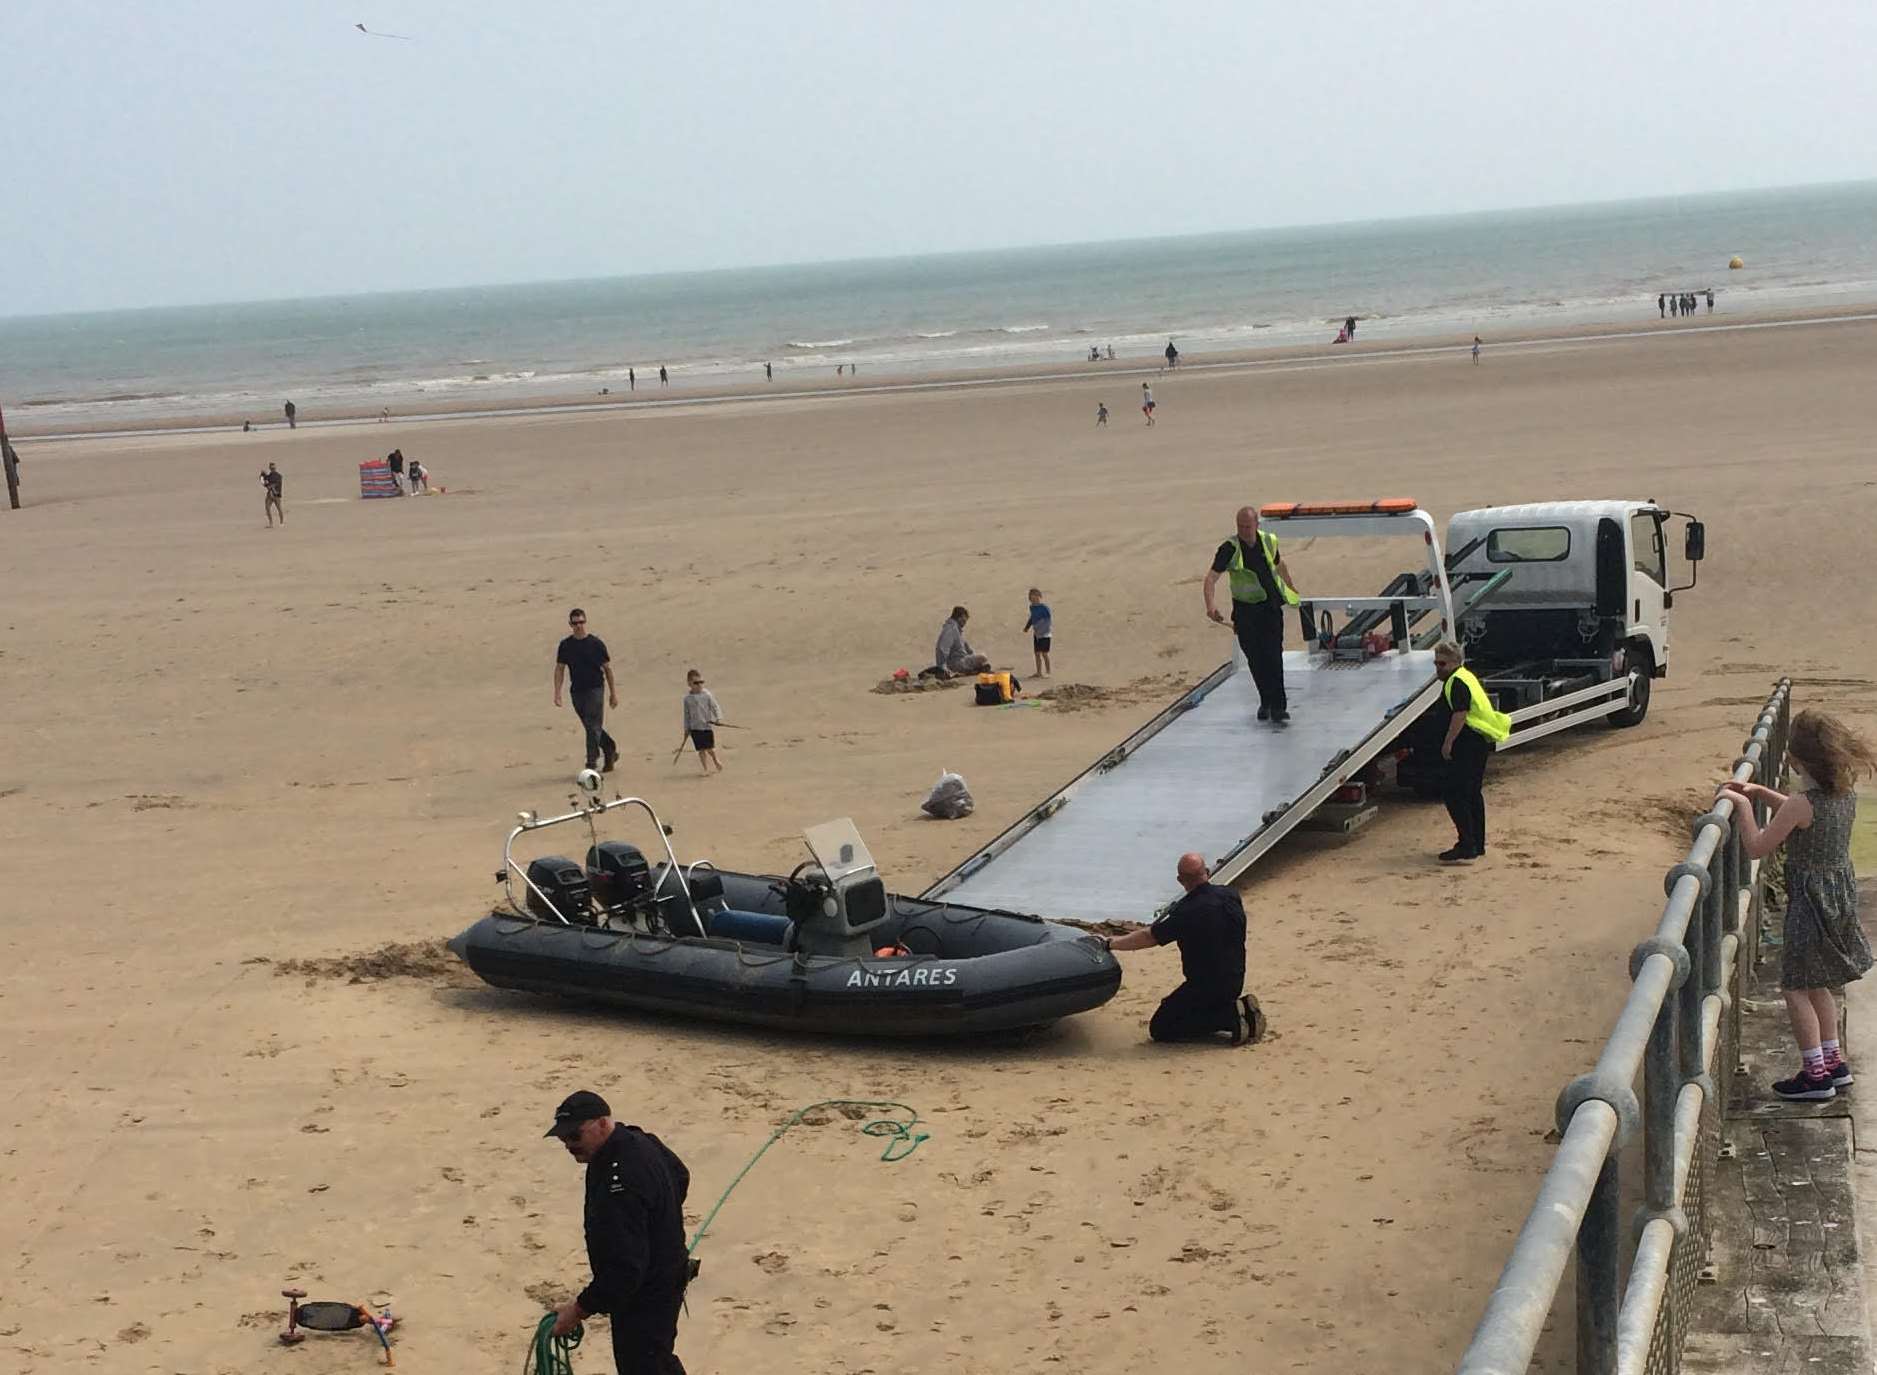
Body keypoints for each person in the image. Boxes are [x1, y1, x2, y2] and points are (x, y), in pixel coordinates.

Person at [1719, 710, 1877, 1101]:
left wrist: (1740, 807)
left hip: (1809, 906)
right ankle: (1834, 1064)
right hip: (1838, 901)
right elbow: (1797, 814)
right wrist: (1760, 793)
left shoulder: (1802, 804)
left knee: (1794, 988)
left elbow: (1757, 845)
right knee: (1818, 983)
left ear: (1796, 760)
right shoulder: (1843, 797)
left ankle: (1814, 1076)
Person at [544, 1091, 692, 1374]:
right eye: (563, 1139)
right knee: (657, 1360)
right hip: (667, 1276)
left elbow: (624, 1269)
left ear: (601, 1123)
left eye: (574, 1136)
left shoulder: (619, 1180)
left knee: (645, 1365)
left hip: (645, 1294)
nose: (568, 1145)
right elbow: (680, 1175)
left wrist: (577, 1311)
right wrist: (660, 1221)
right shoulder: (637, 1139)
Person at [1102, 853, 1260, 1045]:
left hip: (1204, 986)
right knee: (1189, 1006)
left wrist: (1112, 943)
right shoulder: (1230, 895)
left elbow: (1149, 937)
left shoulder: (1187, 911)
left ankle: (1229, 1018)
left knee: (1162, 1027)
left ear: (1180, 880)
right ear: (1207, 872)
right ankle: (1239, 1012)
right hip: (1236, 977)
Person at [1203, 506, 1302, 723]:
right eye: (1240, 527)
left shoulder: (1268, 540)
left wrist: (1291, 587)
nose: (1244, 531)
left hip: (1270, 608)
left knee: (1273, 656)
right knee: (1256, 659)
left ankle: (1278, 707)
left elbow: (1279, 565)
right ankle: (1265, 701)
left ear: (1257, 524)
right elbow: (1211, 579)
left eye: (1248, 526)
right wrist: (1210, 606)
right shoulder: (1229, 548)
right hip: (1245, 612)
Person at [1432, 639, 1511, 864]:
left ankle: (1467, 844)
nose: (1438, 668)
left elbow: (1460, 714)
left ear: (1454, 662)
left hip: (1467, 744)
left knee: (1455, 794)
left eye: (1442, 664)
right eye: (1436, 663)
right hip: (1476, 742)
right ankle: (1476, 843)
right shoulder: (1465, 676)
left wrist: (1447, 743)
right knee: (1472, 793)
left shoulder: (1456, 682)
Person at [554, 608, 620, 772]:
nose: (579, 626)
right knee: (591, 726)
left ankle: (591, 763)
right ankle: (609, 747)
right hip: (577, 691)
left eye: (581, 622)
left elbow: (608, 669)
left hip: (595, 689)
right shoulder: (566, 645)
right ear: (570, 624)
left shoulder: (596, 644)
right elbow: (560, 669)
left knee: (592, 724)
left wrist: (613, 694)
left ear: (585, 622)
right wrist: (557, 693)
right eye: (575, 623)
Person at [679, 669, 724, 774]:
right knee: (701, 750)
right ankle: (705, 769)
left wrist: (718, 718)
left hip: (706, 726)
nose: (699, 685)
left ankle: (715, 760)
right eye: (696, 683)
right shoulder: (687, 699)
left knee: (710, 748)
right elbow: (687, 715)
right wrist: (686, 729)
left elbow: (715, 706)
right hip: (695, 728)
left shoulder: (707, 695)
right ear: (689, 683)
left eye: (701, 682)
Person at [934, 606, 990, 676]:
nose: (965, 623)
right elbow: (942, 648)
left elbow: (967, 648)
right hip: (956, 663)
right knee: (983, 657)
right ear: (959, 617)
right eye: (964, 620)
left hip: (960, 660)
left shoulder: (957, 630)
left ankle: (973, 669)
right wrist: (942, 666)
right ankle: (968, 670)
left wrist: (972, 656)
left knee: (981, 660)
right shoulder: (951, 629)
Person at [1020, 587, 1052, 678]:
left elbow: (1048, 620)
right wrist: (1027, 627)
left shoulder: (1044, 608)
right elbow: (1032, 618)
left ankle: (1048, 672)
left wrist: (1043, 629)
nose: (1034, 599)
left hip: (1045, 634)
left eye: (1036, 596)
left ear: (1039, 596)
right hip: (1037, 634)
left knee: (1044, 654)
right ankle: (1038, 672)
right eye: (1031, 597)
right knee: (1037, 654)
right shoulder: (1032, 607)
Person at [260, 462, 284, 527]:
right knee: (267, 508)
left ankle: (281, 522)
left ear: (275, 468)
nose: (272, 469)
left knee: (279, 508)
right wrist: (262, 475)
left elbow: (274, 484)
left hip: (276, 494)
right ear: (270, 468)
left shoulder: (279, 476)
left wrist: (268, 485)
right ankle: (271, 523)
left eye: (273, 468)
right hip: (270, 495)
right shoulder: (269, 476)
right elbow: (263, 482)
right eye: (271, 468)